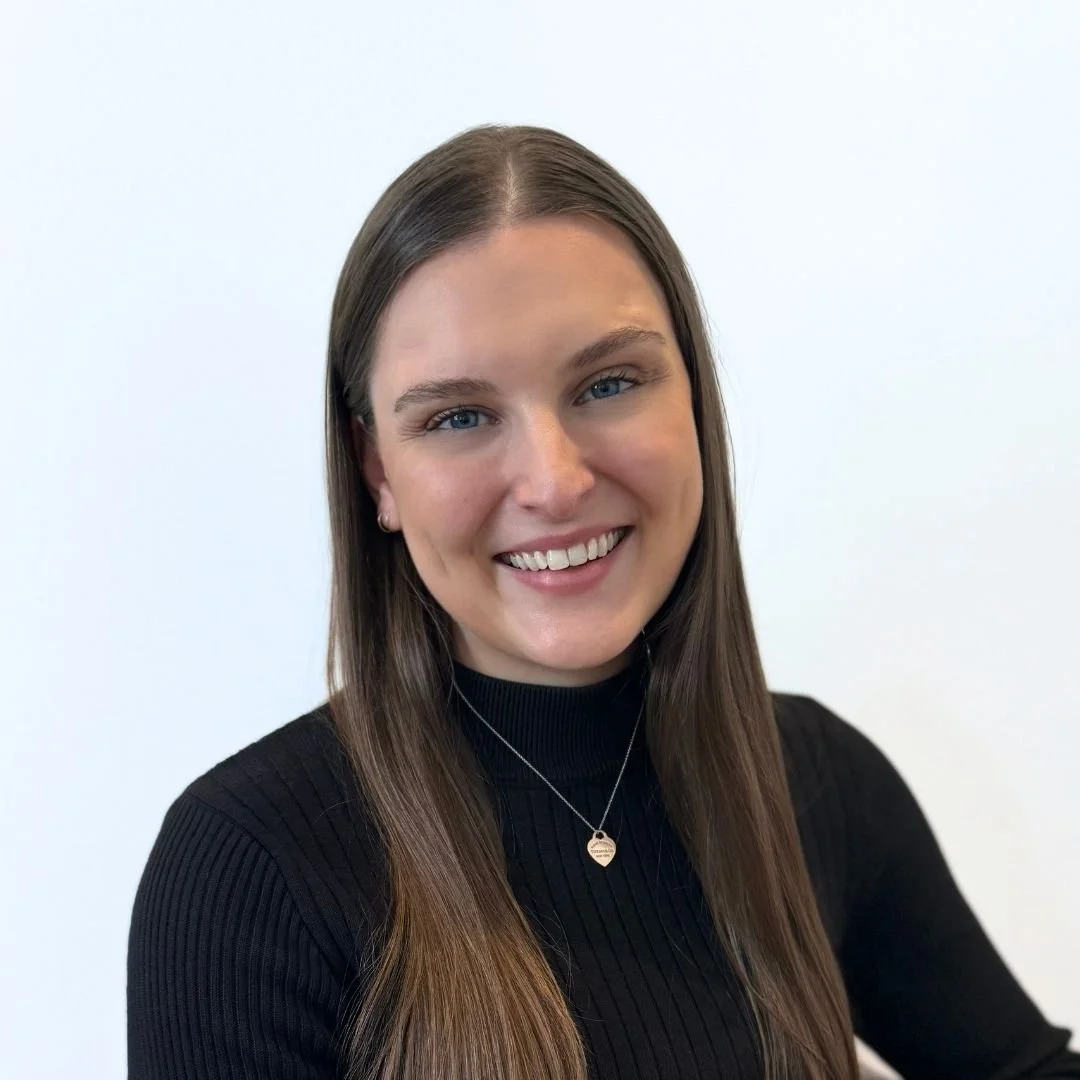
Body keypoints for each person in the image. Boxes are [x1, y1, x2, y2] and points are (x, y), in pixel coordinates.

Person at [126, 124, 1080, 1080]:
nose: (553, 481)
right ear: (378, 470)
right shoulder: (249, 867)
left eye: (609, 383)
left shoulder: (812, 781)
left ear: (694, 403)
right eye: (459, 416)